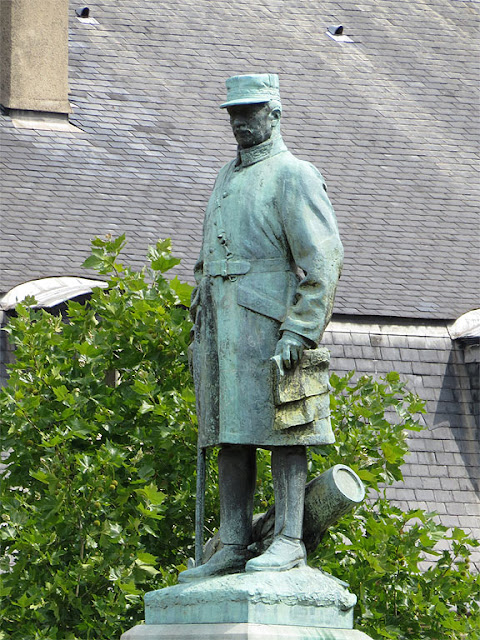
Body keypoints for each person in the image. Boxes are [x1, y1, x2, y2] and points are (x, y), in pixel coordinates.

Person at [179, 73, 343, 581]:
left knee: (285, 430)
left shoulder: (294, 174)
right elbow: (207, 260)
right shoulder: (225, 177)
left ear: (274, 113)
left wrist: (300, 330)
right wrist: (197, 327)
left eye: (249, 112)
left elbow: (323, 259)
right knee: (231, 434)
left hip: (274, 324)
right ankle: (232, 540)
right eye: (233, 113)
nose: (239, 122)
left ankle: (290, 539)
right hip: (223, 329)